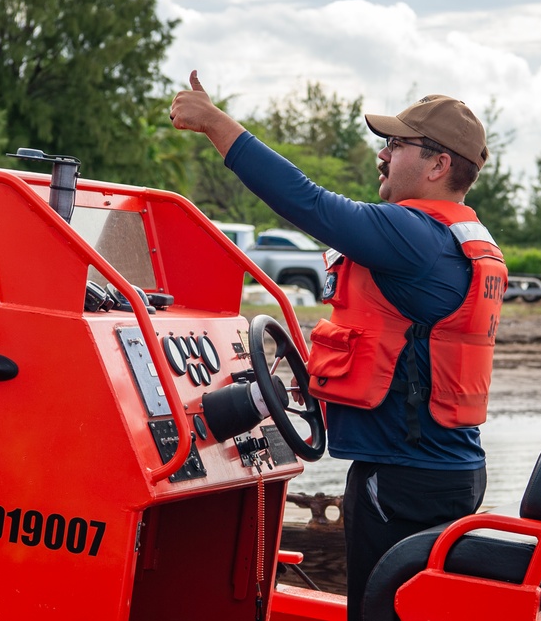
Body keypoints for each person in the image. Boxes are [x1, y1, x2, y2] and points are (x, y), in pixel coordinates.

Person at [170, 70, 507, 621]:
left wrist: (214, 123)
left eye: (396, 145)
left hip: (403, 480)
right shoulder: (459, 239)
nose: (383, 155)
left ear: (438, 164)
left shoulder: (414, 237)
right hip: (439, 472)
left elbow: (308, 203)